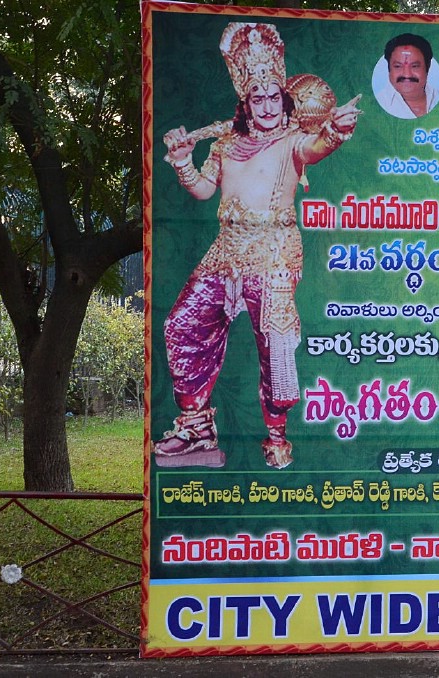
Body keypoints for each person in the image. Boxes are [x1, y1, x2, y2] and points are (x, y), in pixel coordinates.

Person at [155, 22, 361, 469]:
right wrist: (182, 162)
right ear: (245, 104)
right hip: (226, 250)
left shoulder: (293, 142)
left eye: (273, 97)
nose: (267, 106)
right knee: (182, 324)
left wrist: (338, 131)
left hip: (273, 253)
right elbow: (205, 191)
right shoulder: (226, 145)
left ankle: (276, 433)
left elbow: (317, 146)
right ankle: (196, 426)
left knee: (274, 346)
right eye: (258, 98)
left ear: (283, 101)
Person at [375, 33, 439, 119]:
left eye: (415, 66)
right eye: (398, 66)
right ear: (389, 69)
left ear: (427, 68)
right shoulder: (375, 104)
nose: (407, 74)